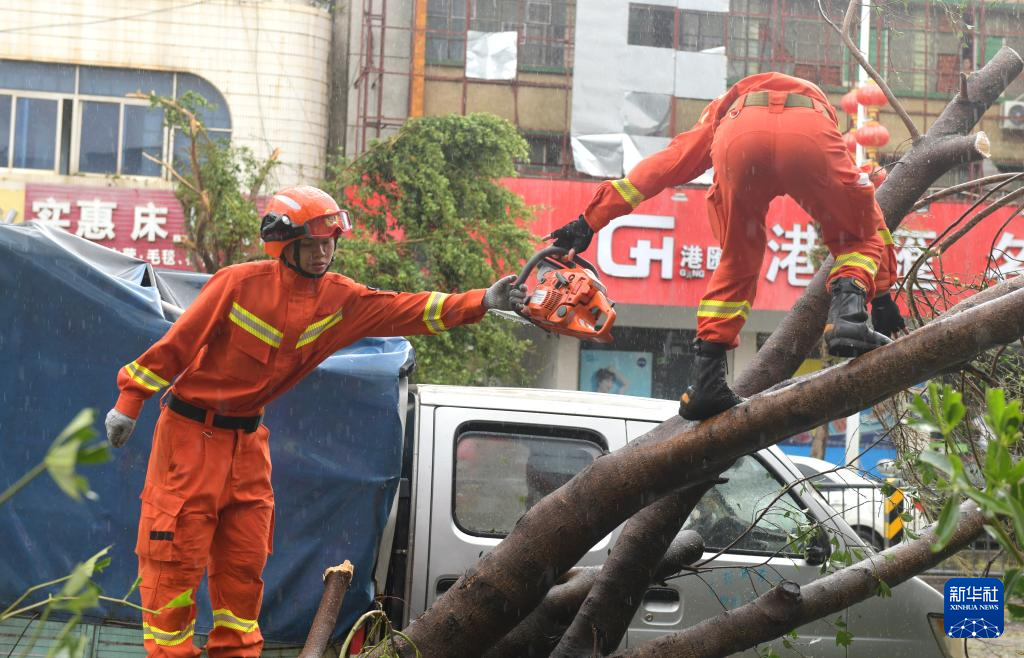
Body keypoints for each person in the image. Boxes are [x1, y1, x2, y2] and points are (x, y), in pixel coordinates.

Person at [103, 185, 525, 658]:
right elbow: (180, 342)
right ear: (284, 243)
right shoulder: (237, 284)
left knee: (244, 571)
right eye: (313, 243)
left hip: (247, 443)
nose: (324, 252)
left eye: (330, 242)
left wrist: (483, 301)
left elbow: (409, 308)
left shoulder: (340, 300)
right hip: (189, 436)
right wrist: (131, 398)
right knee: (174, 564)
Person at [549, 72, 904, 421]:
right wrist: (884, 295)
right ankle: (847, 319)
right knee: (856, 236)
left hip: (739, 135)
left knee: (737, 260)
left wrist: (588, 221)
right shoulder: (818, 110)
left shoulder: (724, 108)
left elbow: (664, 166)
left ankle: (705, 381)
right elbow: (869, 218)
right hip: (808, 132)